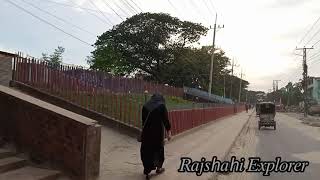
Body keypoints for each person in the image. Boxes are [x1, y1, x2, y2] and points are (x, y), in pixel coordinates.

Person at [140, 94, 172, 180]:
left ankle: (147, 170)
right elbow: (165, 120)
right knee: (158, 151)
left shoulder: (145, 106)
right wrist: (169, 132)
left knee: (146, 151)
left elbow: (143, 121)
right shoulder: (161, 106)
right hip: (157, 134)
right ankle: (159, 168)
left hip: (146, 134)